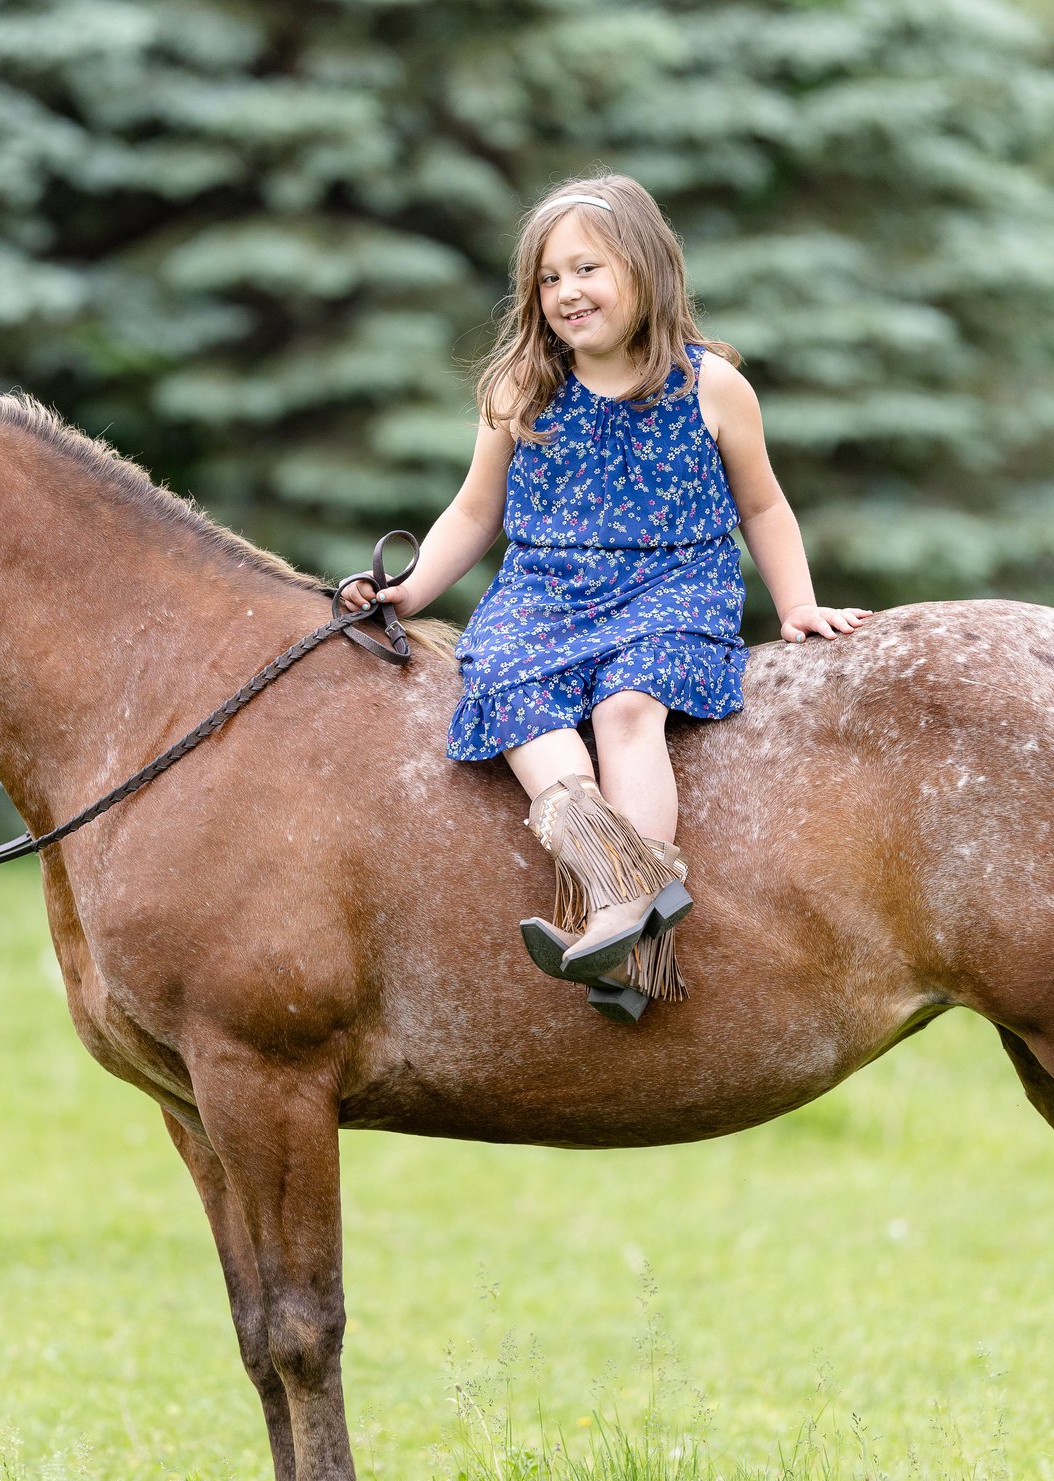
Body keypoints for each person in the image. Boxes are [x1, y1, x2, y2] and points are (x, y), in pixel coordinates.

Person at [343, 174, 868, 1021]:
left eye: (588, 269)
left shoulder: (710, 386)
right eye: (549, 278)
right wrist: (407, 591)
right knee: (508, 682)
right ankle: (616, 883)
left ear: (647, 271)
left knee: (629, 707)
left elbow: (763, 504)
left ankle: (630, 912)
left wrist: (797, 603)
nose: (566, 293)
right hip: (545, 591)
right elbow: (475, 512)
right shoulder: (520, 389)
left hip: (671, 586)